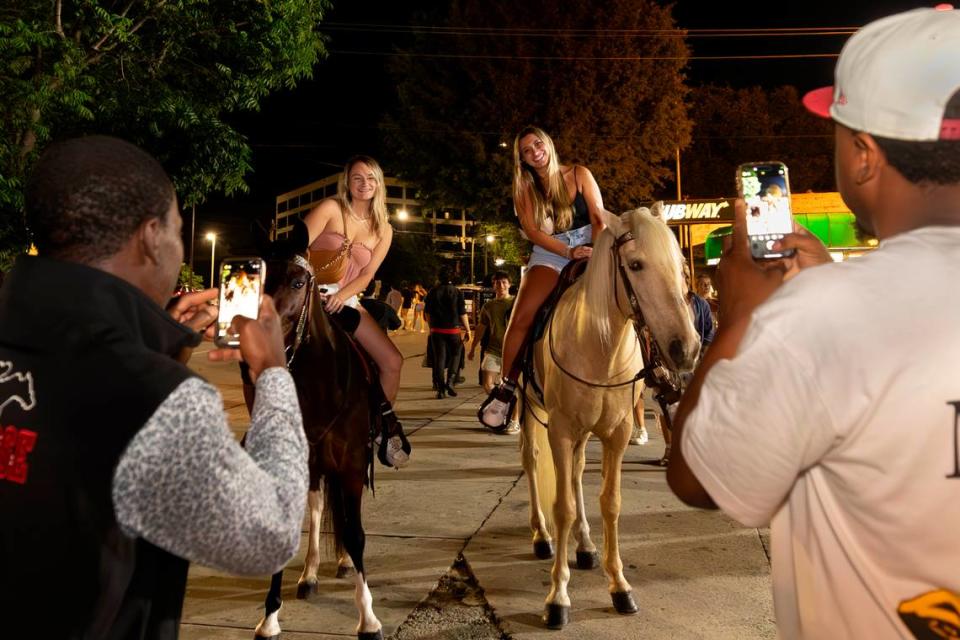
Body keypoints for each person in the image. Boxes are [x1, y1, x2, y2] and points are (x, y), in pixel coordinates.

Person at [667, 8, 960, 638]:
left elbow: (695, 476)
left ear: (862, 155)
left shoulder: (824, 317)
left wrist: (742, 315)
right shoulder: (834, 305)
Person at [0, 135, 308, 639]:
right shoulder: (157, 402)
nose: (178, 246)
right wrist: (273, 372)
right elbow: (268, 534)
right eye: (178, 231)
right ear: (149, 237)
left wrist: (155, 342)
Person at [479, 125, 606, 429]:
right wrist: (567, 252)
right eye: (527, 150)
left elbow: (599, 217)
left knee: (630, 290)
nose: (535, 152)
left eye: (538, 144)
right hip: (551, 253)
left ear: (547, 143)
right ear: (522, 159)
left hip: (592, 244)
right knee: (521, 316)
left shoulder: (578, 174)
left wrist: (594, 251)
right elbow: (534, 232)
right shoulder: (524, 188)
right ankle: (506, 389)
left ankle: (659, 374)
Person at [302, 155, 409, 468]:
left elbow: (367, 275)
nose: (365, 184)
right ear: (347, 182)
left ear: (379, 184)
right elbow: (296, 249)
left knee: (392, 361)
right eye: (358, 178)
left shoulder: (383, 229)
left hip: (346, 299)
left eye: (371, 178)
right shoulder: (331, 208)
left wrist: (344, 296)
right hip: (310, 291)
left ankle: (376, 428)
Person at [468, 270, 520, 434]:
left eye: (504, 282)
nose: (501, 285)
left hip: (512, 351)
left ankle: (515, 421)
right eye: (497, 282)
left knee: (514, 388)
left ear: (509, 285)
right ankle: (503, 402)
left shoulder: (516, 303)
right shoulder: (488, 306)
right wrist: (472, 347)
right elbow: (482, 327)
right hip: (493, 350)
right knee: (487, 384)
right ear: (493, 285)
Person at [424, 268, 471, 399]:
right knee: (456, 355)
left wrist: (431, 327)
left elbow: (427, 312)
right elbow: (462, 313)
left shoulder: (432, 292)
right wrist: (467, 330)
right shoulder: (457, 292)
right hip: (453, 330)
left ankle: (440, 390)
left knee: (439, 358)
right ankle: (450, 382)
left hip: (436, 330)